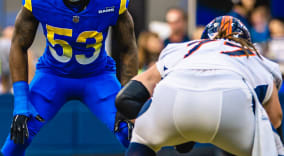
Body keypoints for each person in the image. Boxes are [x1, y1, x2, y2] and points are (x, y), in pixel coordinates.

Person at [1, 0, 138, 155]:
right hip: (52, 76)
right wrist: (20, 100)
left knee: (132, 133)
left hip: (98, 77)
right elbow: (18, 44)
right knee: (18, 135)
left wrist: (128, 96)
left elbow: (128, 48)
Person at [116, 16, 284, 155]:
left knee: (142, 140)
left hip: (173, 96)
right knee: (272, 145)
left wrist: (172, 129)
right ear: (246, 41)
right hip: (232, 101)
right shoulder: (256, 57)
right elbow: (275, 119)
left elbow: (126, 97)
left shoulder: (183, 49)